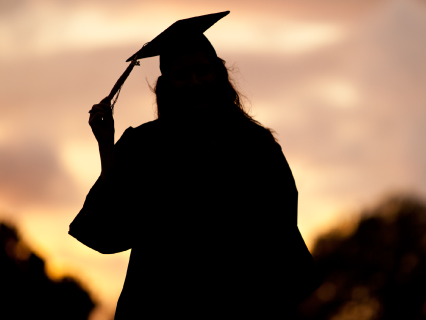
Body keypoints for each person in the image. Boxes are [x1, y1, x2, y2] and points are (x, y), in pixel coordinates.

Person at [68, 11, 319, 319]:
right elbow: (112, 223)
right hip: (161, 299)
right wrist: (107, 146)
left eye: (203, 71)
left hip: (241, 299)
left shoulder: (256, 146)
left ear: (218, 74)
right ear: (167, 85)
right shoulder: (145, 145)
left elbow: (280, 230)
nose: (195, 82)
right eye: (182, 75)